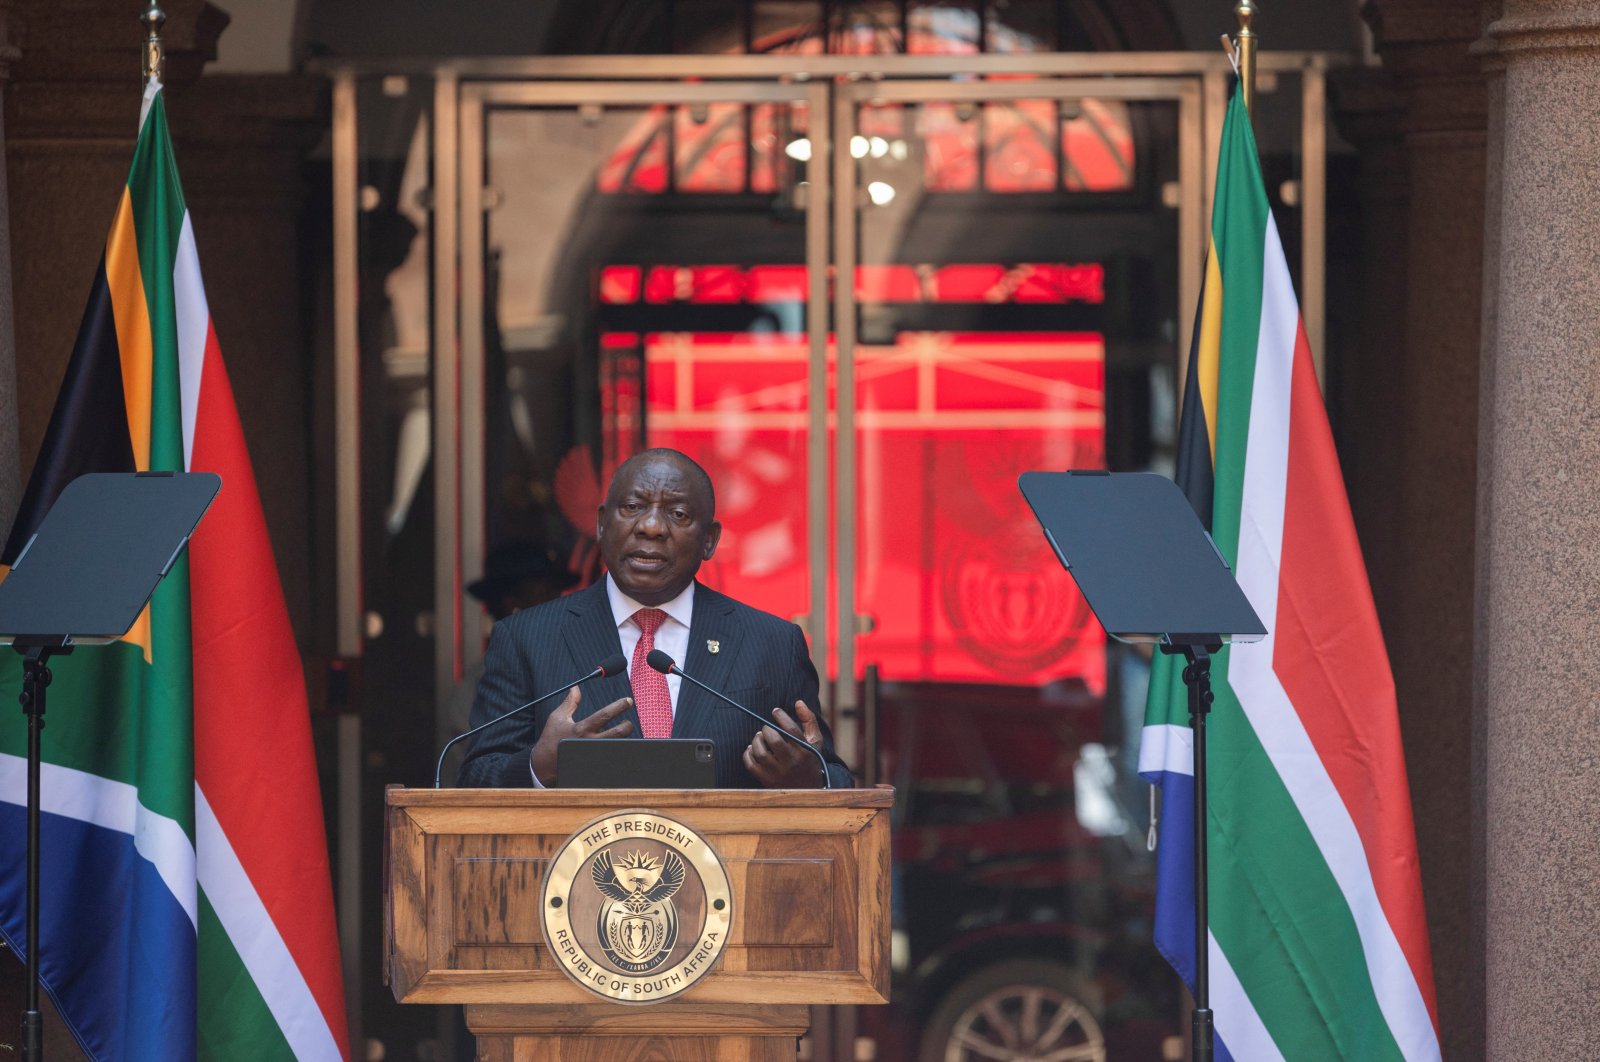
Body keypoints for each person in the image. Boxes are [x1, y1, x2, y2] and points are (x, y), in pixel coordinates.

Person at [457, 447, 853, 789]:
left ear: (710, 540)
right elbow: (472, 777)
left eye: (678, 514)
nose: (650, 527)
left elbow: (833, 776)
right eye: (632, 508)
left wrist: (808, 780)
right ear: (601, 523)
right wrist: (538, 767)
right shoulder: (527, 639)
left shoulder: (771, 643)